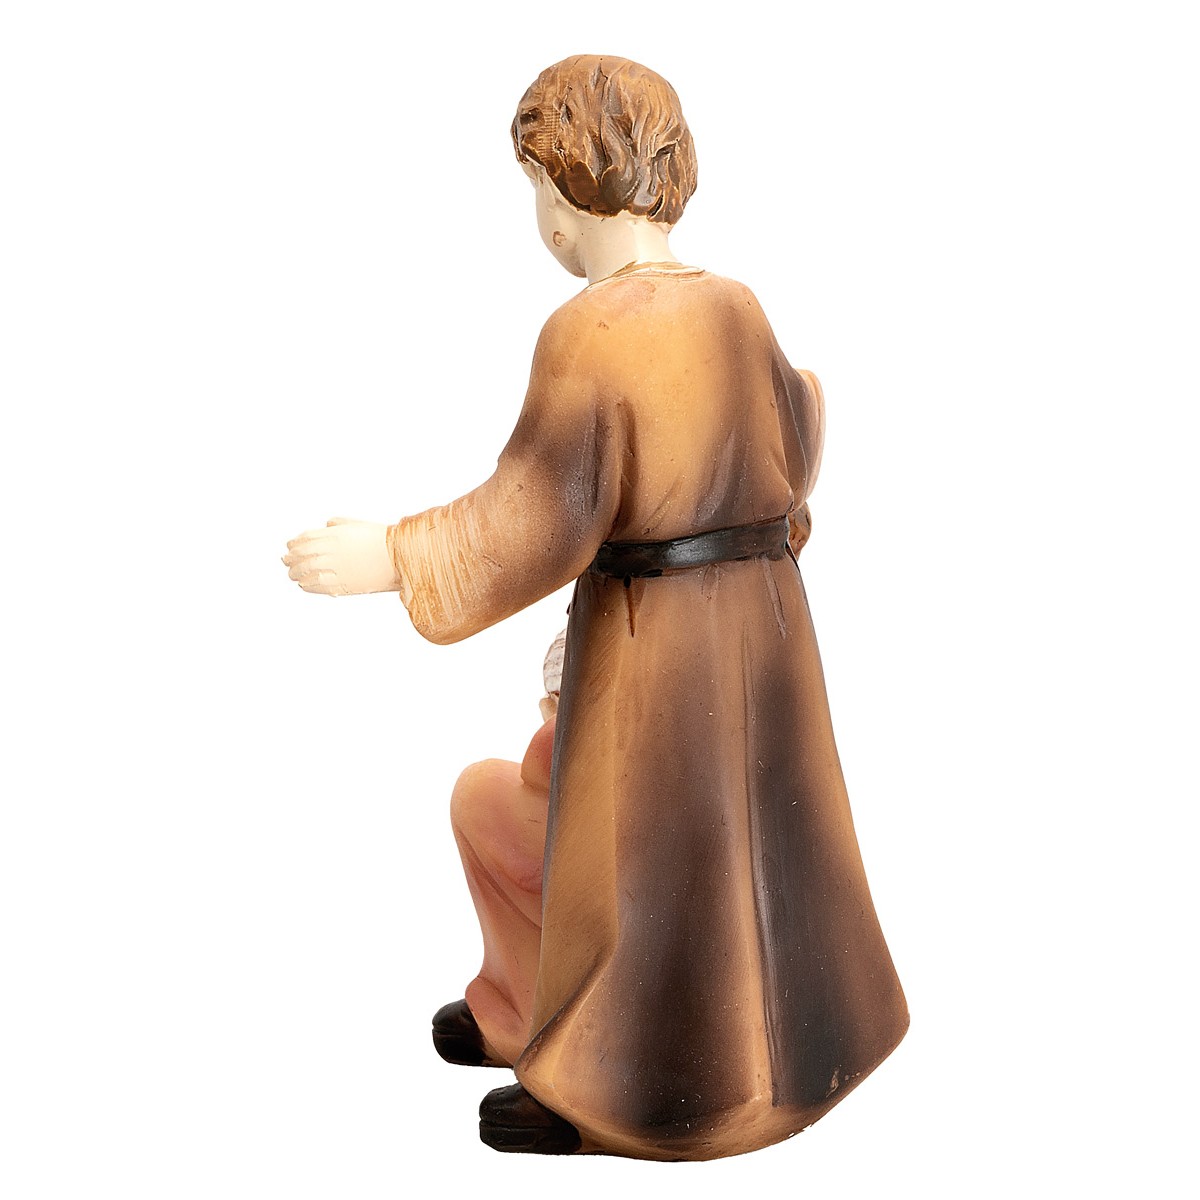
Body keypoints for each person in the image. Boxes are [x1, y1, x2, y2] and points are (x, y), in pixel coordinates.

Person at [283, 55, 907, 1161]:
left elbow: (538, 511)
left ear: (566, 189)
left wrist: (394, 554)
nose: (542, 216)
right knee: (740, 835)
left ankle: (625, 1083)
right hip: (761, 633)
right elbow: (797, 434)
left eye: (536, 187)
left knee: (652, 856)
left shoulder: (591, 333)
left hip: (658, 646)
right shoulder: (738, 306)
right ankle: (565, 1020)